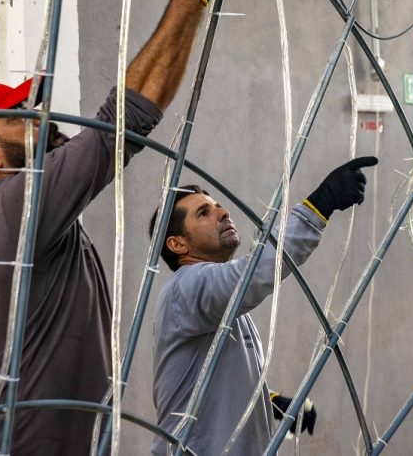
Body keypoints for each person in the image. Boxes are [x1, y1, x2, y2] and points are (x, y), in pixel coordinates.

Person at [0, 0, 248, 455]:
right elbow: (126, 119)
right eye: (20, 117)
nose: (42, 116)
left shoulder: (13, 218)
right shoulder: (17, 202)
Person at [150, 157, 378, 455]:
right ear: (178, 244)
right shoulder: (187, 287)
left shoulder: (217, 302)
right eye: (204, 213)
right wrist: (322, 203)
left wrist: (267, 401)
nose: (222, 212)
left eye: (217, 205)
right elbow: (259, 269)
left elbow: (213, 380)